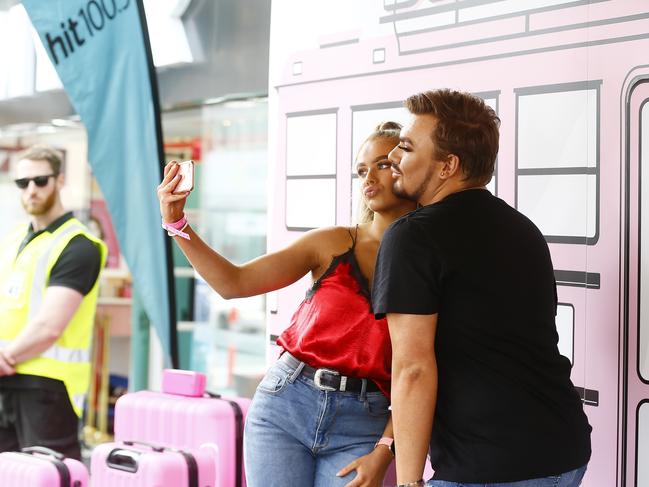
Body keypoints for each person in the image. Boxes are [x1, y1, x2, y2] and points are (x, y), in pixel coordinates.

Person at [157, 123, 417, 487]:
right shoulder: (331, 242)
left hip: (364, 421)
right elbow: (234, 283)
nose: (368, 178)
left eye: (382, 165)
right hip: (287, 403)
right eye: (361, 170)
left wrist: (385, 448)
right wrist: (177, 223)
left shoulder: (428, 263)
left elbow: (417, 372)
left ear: (411, 168)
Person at [372, 90, 592, 487]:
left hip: (490, 467)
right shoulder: (522, 228)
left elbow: (414, 369)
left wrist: (407, 482)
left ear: (447, 166)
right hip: (565, 450)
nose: (392, 158)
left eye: (405, 147)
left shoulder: (412, 237)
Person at [0, 145, 107, 460]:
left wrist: (5, 356)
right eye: (23, 183)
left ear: (60, 181)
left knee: (47, 478)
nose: (31, 190)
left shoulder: (78, 245)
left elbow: (50, 325)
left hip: (47, 389)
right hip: (7, 383)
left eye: (40, 180)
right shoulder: (12, 240)